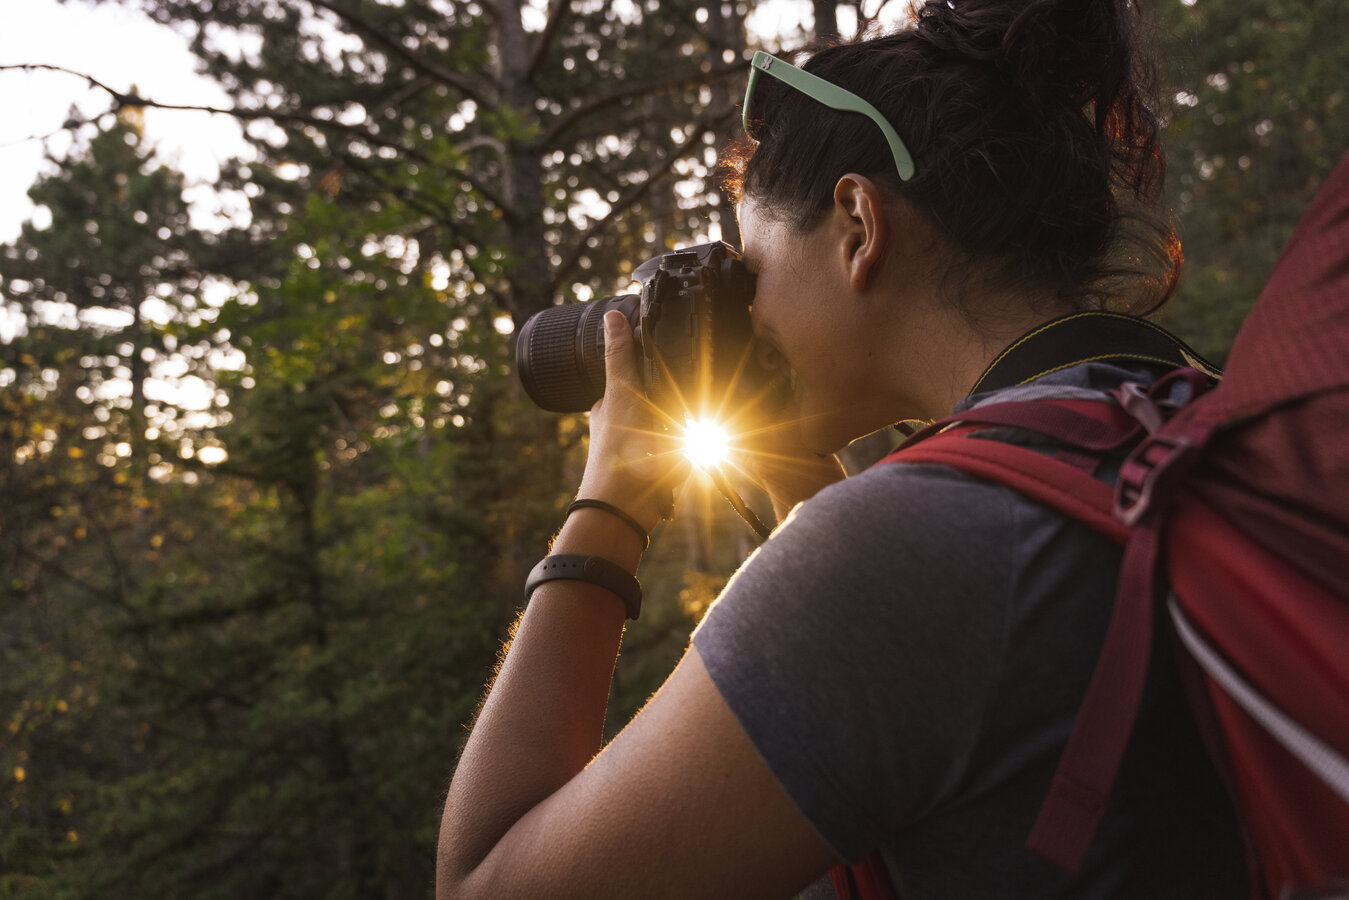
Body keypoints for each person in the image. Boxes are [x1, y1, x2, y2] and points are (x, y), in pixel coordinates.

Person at [436, 0, 1249, 896]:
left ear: (857, 226)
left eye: (751, 267)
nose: (744, 310)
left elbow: (487, 882)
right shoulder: (1193, 421)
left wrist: (609, 505)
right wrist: (805, 490)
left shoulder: (903, 553)